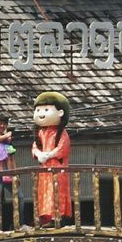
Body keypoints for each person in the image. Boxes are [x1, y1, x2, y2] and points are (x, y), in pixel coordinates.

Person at [31, 92, 72, 227]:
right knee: (44, 192)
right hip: (44, 171)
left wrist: (47, 155)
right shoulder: (40, 132)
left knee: (56, 192)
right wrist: (38, 153)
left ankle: (57, 217)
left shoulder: (61, 132)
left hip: (58, 170)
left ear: (60, 113)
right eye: (38, 110)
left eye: (46, 110)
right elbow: (34, 147)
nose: (41, 113)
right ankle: (45, 218)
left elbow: (62, 148)